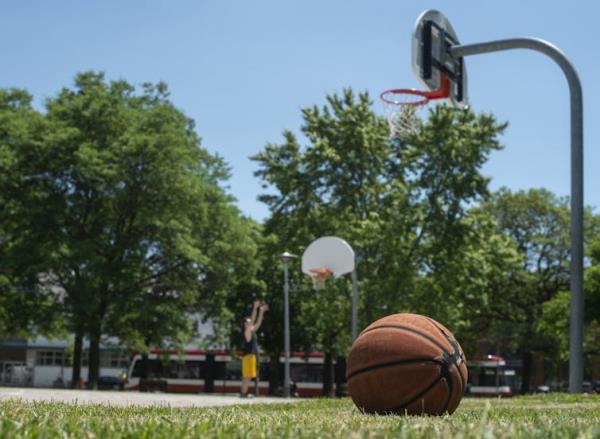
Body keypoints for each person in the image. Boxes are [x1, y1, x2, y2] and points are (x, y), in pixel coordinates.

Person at [240, 299, 268, 397]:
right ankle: (243, 393)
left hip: (251, 356)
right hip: (248, 356)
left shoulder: (251, 331)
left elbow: (258, 323)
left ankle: (244, 393)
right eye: (248, 322)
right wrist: (255, 308)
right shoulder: (246, 332)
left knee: (247, 377)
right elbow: (253, 320)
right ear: (245, 324)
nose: (250, 323)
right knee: (246, 377)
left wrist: (261, 312)